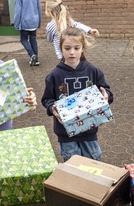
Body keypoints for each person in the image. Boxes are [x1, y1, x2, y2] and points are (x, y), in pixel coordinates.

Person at [41, 27, 113, 162]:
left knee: (93, 162)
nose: (72, 52)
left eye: (76, 48)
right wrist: (52, 108)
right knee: (72, 164)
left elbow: (106, 91)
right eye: (67, 48)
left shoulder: (93, 71)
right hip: (65, 132)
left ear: (82, 49)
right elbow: (47, 99)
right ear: (61, 49)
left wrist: (106, 96)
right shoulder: (54, 75)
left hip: (89, 130)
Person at [14, 0, 42, 67]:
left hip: (25, 23)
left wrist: (16, 23)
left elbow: (18, 12)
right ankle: (36, 60)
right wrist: (39, 22)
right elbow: (39, 8)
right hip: (34, 22)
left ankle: (32, 55)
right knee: (33, 39)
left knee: (23, 39)